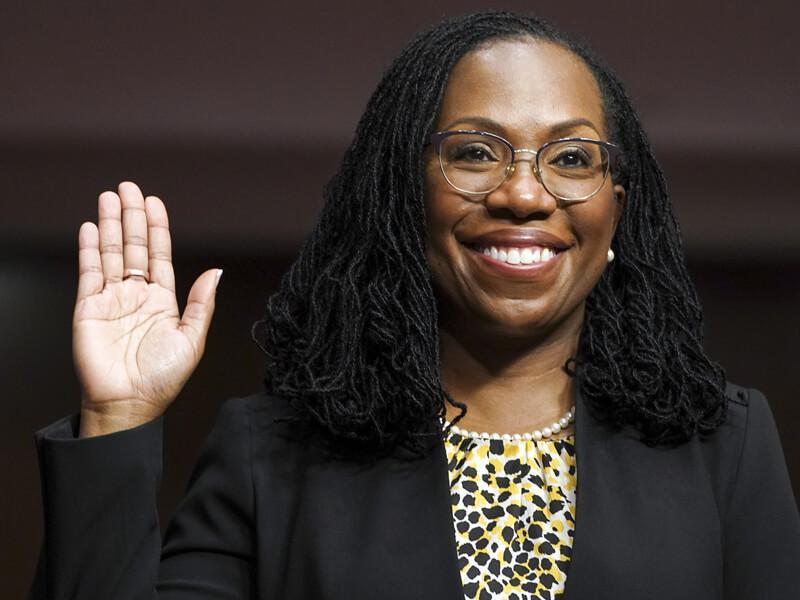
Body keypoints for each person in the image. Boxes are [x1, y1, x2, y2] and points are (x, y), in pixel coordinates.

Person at [30, 10, 799, 600]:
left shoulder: (724, 448)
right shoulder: (271, 454)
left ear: (615, 213)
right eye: (474, 152)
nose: (524, 194)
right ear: (405, 197)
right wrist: (117, 420)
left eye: (570, 158)